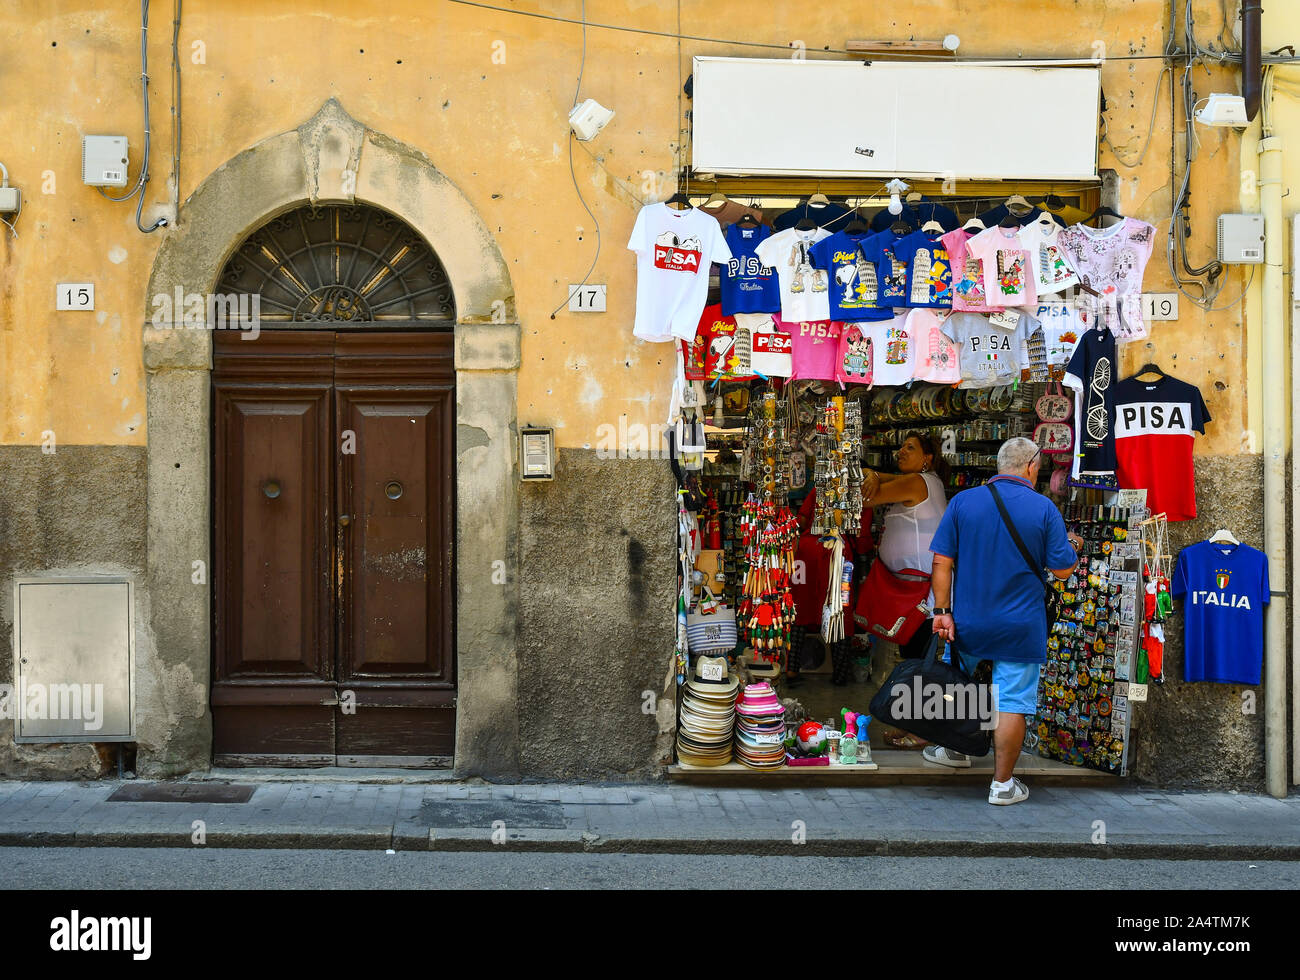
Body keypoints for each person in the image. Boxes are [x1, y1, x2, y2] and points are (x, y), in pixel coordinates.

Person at [924, 437, 1085, 805]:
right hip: (1020, 625)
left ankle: (956, 751)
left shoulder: (963, 502)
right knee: (1011, 702)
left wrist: (941, 611)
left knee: (962, 686)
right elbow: (1061, 571)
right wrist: (1073, 544)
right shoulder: (1044, 508)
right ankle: (1002, 785)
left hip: (968, 620)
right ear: (1032, 466)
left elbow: (941, 562)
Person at [860, 432, 950, 748]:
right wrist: (872, 473)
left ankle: (924, 731)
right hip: (908, 591)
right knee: (912, 660)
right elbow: (884, 478)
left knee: (920, 663)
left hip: (922, 596)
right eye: (901, 445)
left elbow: (869, 497)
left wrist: (871, 479)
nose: (901, 451)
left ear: (927, 458)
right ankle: (912, 726)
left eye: (910, 448)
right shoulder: (919, 480)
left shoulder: (919, 482)